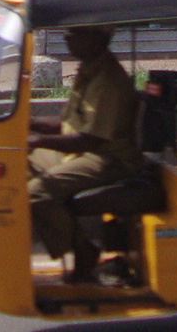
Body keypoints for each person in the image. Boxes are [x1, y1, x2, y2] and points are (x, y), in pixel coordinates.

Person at [28, 26, 141, 283]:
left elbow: (89, 138)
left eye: (75, 34)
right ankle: (82, 245)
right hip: (85, 150)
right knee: (18, 166)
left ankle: (83, 250)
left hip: (110, 159)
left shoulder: (109, 81)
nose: (68, 39)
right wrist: (29, 123)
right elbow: (69, 124)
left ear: (96, 38)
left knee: (36, 193)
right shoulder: (88, 71)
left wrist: (38, 140)